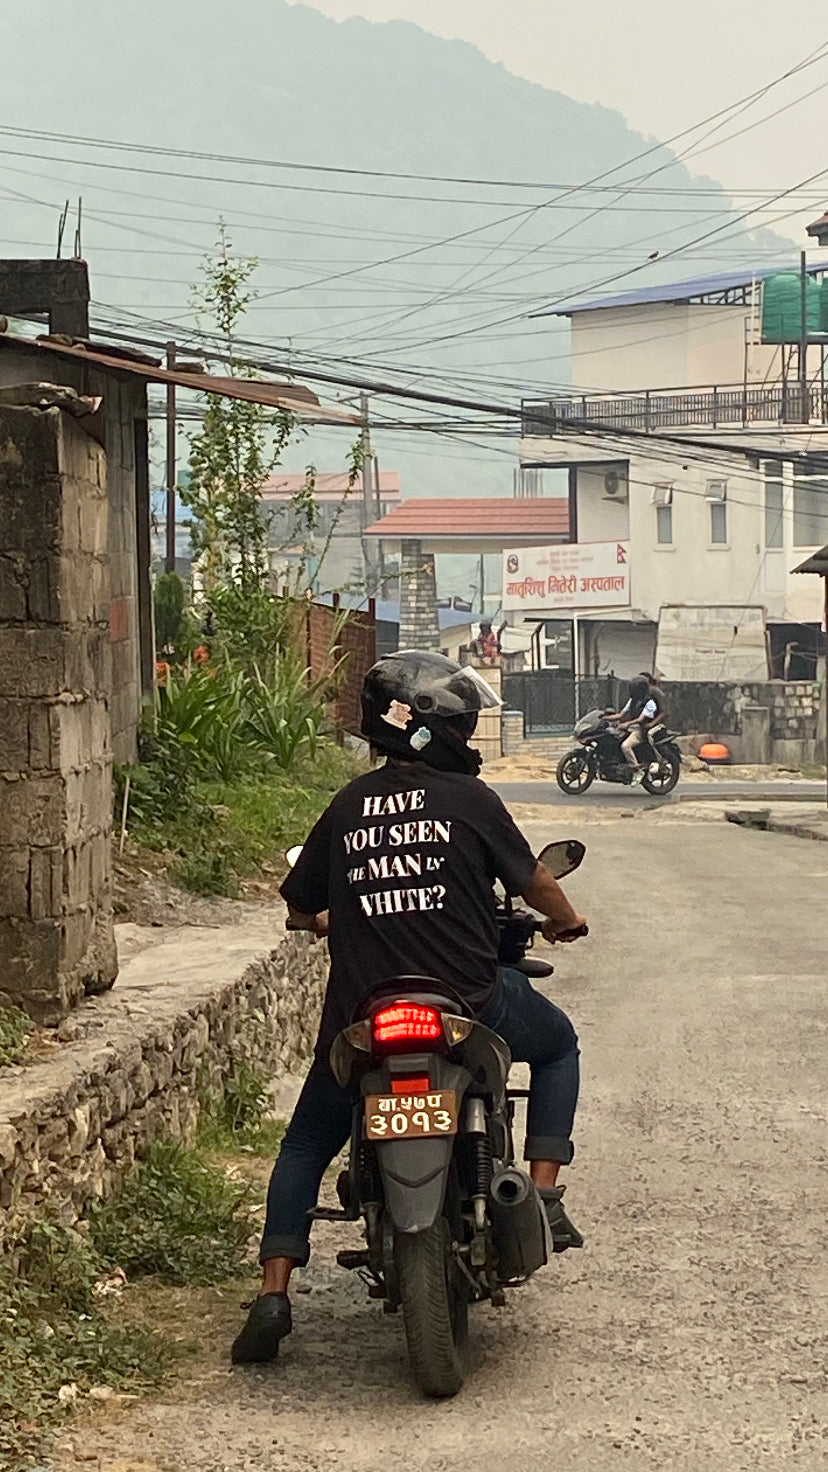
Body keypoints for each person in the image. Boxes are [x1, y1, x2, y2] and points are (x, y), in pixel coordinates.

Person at [231, 650, 589, 1365]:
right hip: (467, 1005)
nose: (468, 735)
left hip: (361, 1022)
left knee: (305, 1144)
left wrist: (330, 919)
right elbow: (538, 882)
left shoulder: (349, 805)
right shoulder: (472, 802)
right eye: (463, 724)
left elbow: (299, 906)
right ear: (435, 731)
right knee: (557, 1048)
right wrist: (567, 921)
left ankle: (273, 1294)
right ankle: (543, 1191)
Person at [606, 674, 660, 782]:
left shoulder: (649, 703)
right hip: (630, 728)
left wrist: (627, 724)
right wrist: (604, 717)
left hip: (640, 730)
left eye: (634, 688)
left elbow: (640, 719)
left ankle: (636, 770)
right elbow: (620, 715)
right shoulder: (632, 700)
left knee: (625, 746)